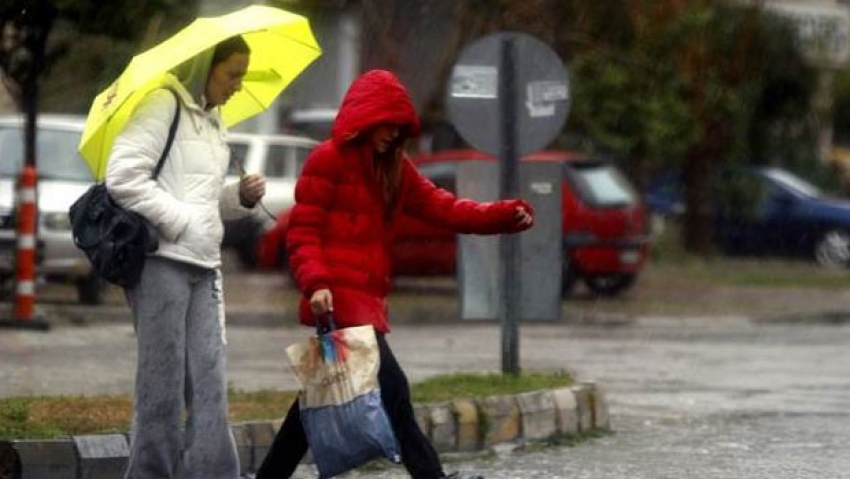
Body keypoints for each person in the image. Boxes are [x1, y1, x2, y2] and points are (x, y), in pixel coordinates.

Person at [256, 69, 534, 479]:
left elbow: (444, 207)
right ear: (365, 118)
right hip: (337, 301)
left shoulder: (395, 170)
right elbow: (303, 233)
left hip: (366, 301)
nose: (392, 133)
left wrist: (502, 216)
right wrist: (316, 283)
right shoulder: (327, 160)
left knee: (316, 400)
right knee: (394, 394)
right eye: (386, 123)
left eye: (399, 127)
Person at [105, 35, 266, 479]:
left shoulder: (215, 124)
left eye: (242, 76)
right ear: (204, 67)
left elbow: (205, 200)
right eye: (232, 73)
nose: (237, 84)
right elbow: (123, 178)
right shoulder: (163, 105)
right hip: (162, 264)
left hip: (204, 265)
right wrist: (177, 221)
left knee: (210, 382)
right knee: (163, 386)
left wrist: (241, 198)